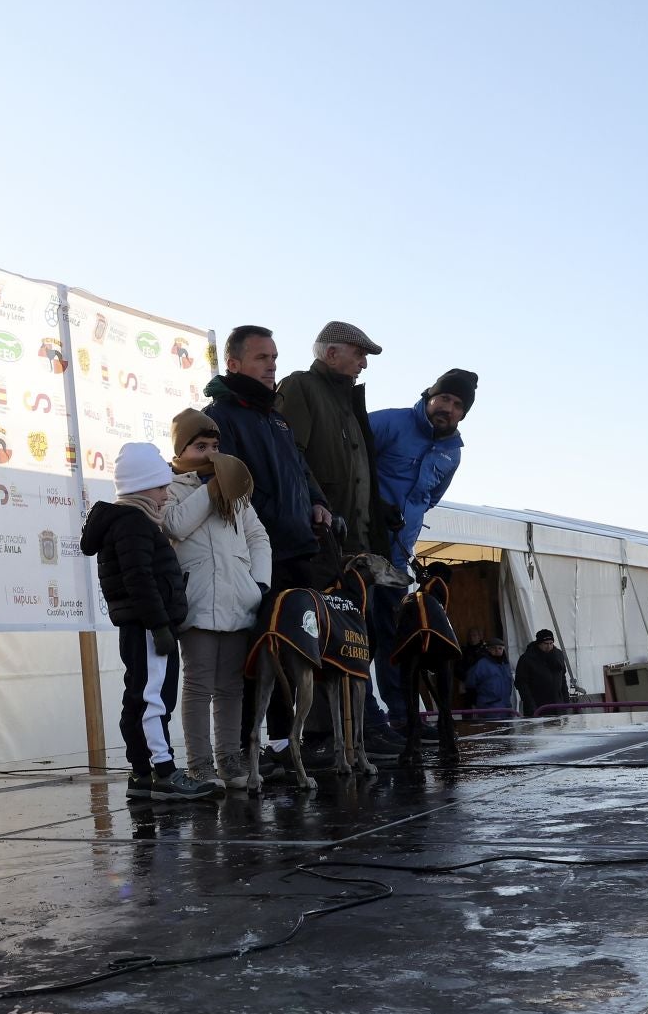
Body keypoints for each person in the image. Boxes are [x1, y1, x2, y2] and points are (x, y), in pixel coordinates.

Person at [202, 325, 332, 763]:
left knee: (295, 647)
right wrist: (269, 523)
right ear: (234, 364)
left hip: (298, 550)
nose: (272, 365)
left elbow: (300, 469)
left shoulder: (276, 417)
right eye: (261, 357)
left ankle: (285, 742)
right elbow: (228, 486)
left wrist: (317, 503)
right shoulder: (220, 417)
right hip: (255, 556)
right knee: (259, 652)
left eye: (274, 357)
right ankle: (245, 748)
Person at [79, 442, 216, 801]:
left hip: (142, 626)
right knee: (154, 700)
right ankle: (164, 772)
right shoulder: (134, 524)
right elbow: (140, 579)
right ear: (141, 487)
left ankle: (141, 773)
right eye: (160, 486)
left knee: (140, 697)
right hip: (148, 628)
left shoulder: (131, 522)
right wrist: (159, 626)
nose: (166, 493)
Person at [165, 410, 270, 791]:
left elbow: (258, 537)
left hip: (237, 600)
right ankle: (199, 765)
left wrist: (257, 583)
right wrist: (208, 489)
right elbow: (174, 525)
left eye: (215, 446)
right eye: (200, 446)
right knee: (198, 685)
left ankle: (229, 757)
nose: (210, 453)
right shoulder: (171, 487)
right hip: (197, 601)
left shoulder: (236, 491)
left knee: (231, 686)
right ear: (181, 449)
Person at [367, 368, 474, 730]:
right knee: (353, 634)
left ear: (463, 413)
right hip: (360, 550)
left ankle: (403, 717)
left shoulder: (453, 455)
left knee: (394, 638)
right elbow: (348, 463)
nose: (447, 407)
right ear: (429, 396)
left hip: (398, 558)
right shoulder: (388, 423)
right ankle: (364, 721)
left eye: (457, 404)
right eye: (443, 398)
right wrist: (373, 504)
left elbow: (429, 499)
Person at [276, 322, 383, 558]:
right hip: (318, 543)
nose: (364, 364)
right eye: (359, 354)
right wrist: (318, 507)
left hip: (355, 546)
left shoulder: (349, 404)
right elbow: (288, 456)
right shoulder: (300, 386)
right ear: (332, 354)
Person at [516, 629, 575, 716]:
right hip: (538, 705)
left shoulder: (558, 654)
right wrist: (531, 705)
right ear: (539, 643)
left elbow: (562, 677)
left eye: (551, 643)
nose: (549, 646)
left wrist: (566, 701)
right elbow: (522, 684)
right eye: (546, 644)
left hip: (558, 704)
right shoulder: (527, 659)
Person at [462, 638, 514, 717]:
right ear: (488, 649)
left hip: (506, 708)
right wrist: (473, 703)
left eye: (500, 648)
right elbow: (470, 685)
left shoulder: (506, 665)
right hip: (488, 708)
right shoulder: (480, 664)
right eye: (494, 648)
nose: (497, 651)